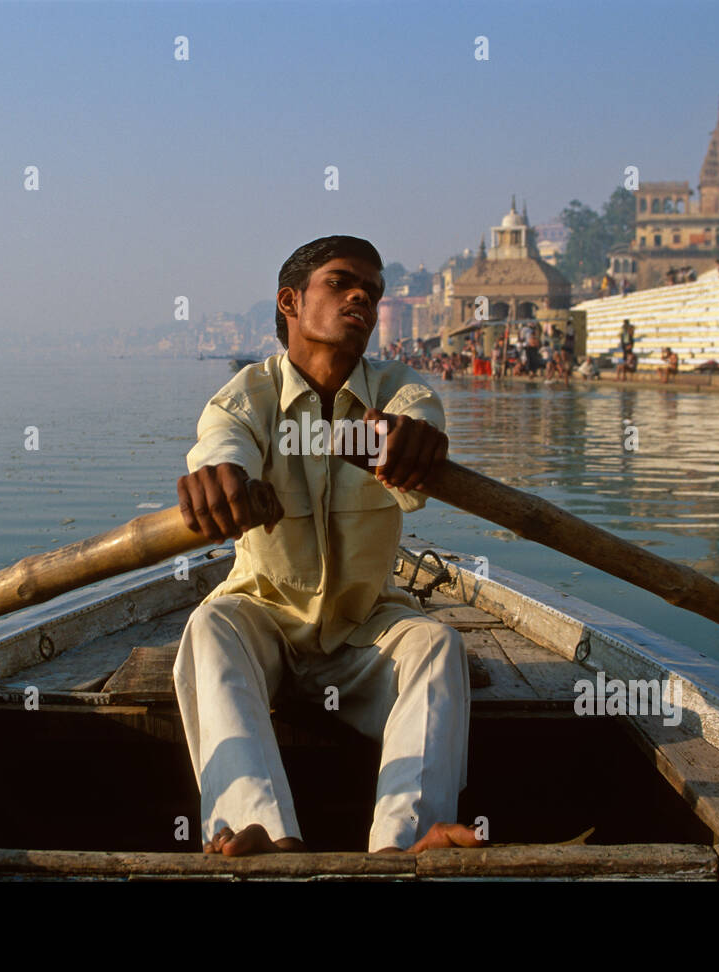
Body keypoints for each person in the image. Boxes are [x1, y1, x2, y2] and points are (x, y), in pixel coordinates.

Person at [175, 235, 480, 856]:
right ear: (290, 301)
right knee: (209, 628)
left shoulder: (401, 393)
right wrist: (222, 479)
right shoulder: (243, 399)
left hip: (365, 626)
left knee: (436, 643)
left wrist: (411, 446)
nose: (362, 297)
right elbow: (220, 446)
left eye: (372, 290)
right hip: (265, 617)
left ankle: (406, 841)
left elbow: (421, 428)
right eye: (342, 283)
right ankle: (264, 836)